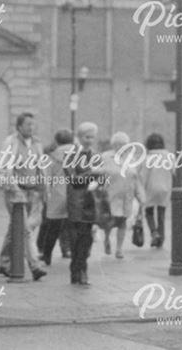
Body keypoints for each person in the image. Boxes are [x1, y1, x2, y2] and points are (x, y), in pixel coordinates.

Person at [0, 113, 47, 281]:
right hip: (16, 192)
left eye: (33, 124)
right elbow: (4, 168)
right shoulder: (11, 143)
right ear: (19, 127)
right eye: (28, 125)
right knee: (25, 229)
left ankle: (3, 262)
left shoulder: (37, 143)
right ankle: (35, 264)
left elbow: (41, 166)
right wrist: (14, 188)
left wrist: (44, 187)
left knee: (16, 228)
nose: (31, 128)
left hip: (31, 191)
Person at [65, 121, 103, 285]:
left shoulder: (95, 155)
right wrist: (92, 173)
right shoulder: (71, 155)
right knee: (77, 239)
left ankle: (82, 269)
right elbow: (72, 179)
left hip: (91, 201)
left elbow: (101, 178)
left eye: (92, 137)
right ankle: (78, 270)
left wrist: (99, 180)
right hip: (77, 202)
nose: (89, 140)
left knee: (87, 239)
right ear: (79, 137)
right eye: (87, 137)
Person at [100, 131, 145, 259]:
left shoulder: (132, 160)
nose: (121, 147)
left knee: (122, 222)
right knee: (109, 221)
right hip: (110, 194)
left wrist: (140, 196)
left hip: (126, 195)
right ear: (113, 145)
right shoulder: (105, 157)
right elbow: (99, 175)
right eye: (118, 144)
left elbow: (137, 179)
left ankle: (119, 249)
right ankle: (107, 239)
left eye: (124, 144)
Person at [37, 128, 75, 265]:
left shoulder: (51, 157)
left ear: (57, 141)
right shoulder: (78, 154)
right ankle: (70, 251)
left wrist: (46, 194)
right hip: (74, 193)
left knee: (53, 227)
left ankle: (47, 255)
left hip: (57, 193)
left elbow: (47, 178)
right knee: (72, 226)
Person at [138, 133, 172, 249]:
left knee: (149, 212)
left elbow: (143, 175)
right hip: (165, 188)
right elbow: (174, 172)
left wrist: (140, 189)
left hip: (151, 188)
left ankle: (154, 233)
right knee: (161, 213)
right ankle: (161, 239)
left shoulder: (148, 158)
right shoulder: (169, 156)